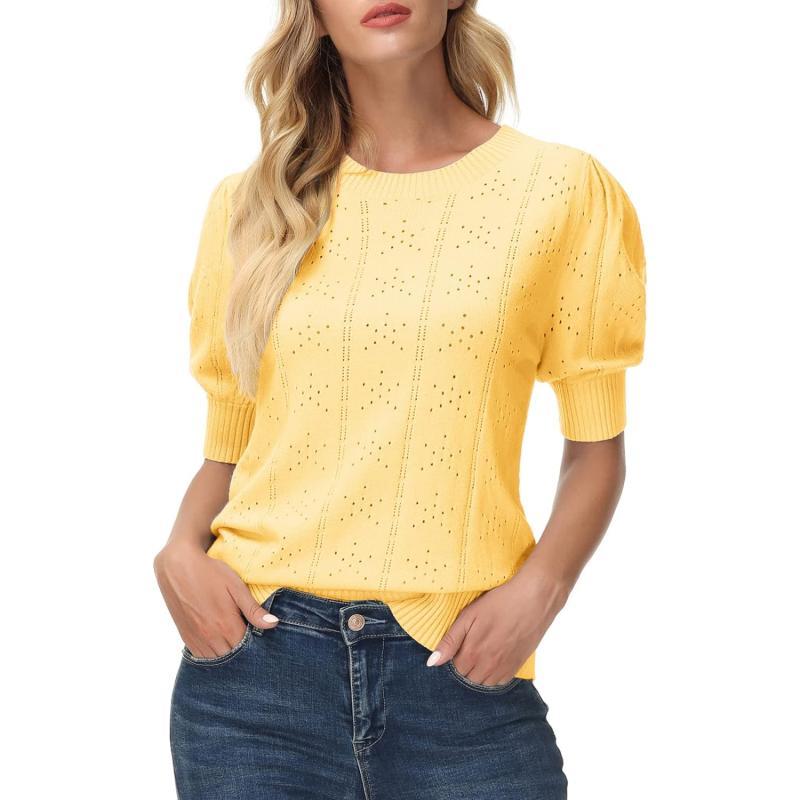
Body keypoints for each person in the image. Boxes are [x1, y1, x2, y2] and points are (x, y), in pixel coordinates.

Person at [154, 1, 647, 797]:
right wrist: (180, 551)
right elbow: (229, 446)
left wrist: (541, 592)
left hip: (460, 673)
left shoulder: (559, 189)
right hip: (257, 680)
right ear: (314, 16)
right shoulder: (251, 206)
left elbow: (597, 449)